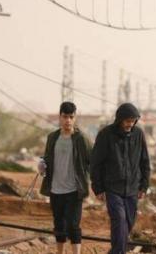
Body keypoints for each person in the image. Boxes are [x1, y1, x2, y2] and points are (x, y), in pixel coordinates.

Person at [90, 102, 151, 254]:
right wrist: (98, 188)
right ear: (120, 120)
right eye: (127, 121)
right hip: (112, 188)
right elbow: (96, 163)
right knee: (119, 220)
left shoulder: (138, 134)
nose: (130, 124)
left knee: (127, 225)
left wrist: (144, 186)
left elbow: (145, 161)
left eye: (133, 121)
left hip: (132, 189)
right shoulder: (106, 135)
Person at [39, 101, 93, 254]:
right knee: (59, 225)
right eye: (65, 116)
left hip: (74, 190)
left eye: (71, 117)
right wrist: (42, 165)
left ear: (75, 118)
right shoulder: (52, 137)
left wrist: (92, 183)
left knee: (73, 225)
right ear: (60, 117)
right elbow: (47, 158)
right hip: (55, 189)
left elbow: (92, 162)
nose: (68, 120)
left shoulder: (81, 139)